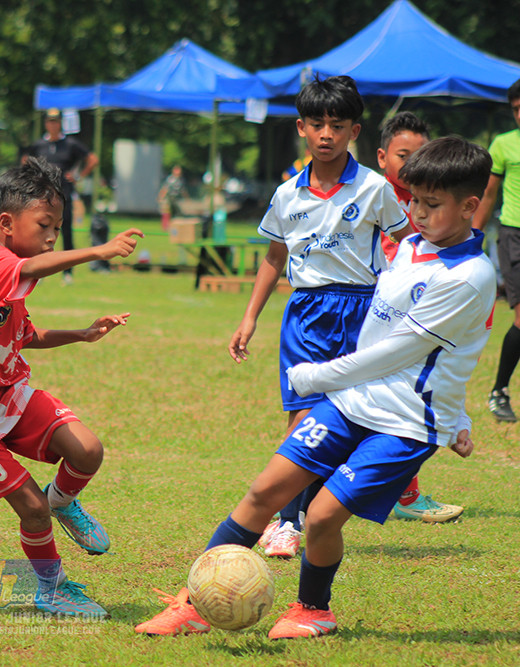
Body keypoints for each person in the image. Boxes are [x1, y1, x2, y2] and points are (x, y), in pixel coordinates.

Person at [137, 136, 495, 639]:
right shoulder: (413, 247)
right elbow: (385, 329)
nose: (415, 212)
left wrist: (318, 377)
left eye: (431, 204)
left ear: (470, 206)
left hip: (405, 423)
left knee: (322, 516)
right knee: (265, 491)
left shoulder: (470, 276)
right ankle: (192, 603)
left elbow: (403, 351)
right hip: (352, 402)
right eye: (412, 199)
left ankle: (313, 609)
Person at [0, 157, 142, 618]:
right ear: (6, 223)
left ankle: (65, 502)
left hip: (6, 396)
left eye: (58, 227)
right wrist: (97, 251)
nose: (52, 236)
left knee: (87, 451)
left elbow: (26, 337)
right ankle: (50, 588)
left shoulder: (12, 274)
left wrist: (81, 334)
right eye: (45, 224)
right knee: (31, 508)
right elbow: (36, 267)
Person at [226, 75, 410, 560]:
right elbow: (273, 258)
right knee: (303, 421)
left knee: (356, 417)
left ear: (355, 130)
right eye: (316, 124)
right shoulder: (287, 195)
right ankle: (287, 522)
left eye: (337, 124)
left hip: (364, 312)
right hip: (307, 313)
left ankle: (377, 486)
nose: (326, 134)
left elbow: (404, 245)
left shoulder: (375, 188)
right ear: (301, 128)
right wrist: (250, 319)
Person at [376, 111, 464, 522]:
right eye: (403, 155)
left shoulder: (429, 204)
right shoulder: (372, 196)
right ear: (382, 157)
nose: (410, 164)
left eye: (420, 154)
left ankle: (402, 493)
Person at [475, 78, 520, 423]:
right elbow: (488, 195)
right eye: (516, 109)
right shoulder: (504, 145)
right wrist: (473, 237)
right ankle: (498, 391)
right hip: (513, 235)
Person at [21, 108, 99, 284]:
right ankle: (38, 269)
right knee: (38, 231)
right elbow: (25, 161)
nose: (52, 124)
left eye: (56, 121)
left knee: (66, 231)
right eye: (50, 121)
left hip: (63, 195)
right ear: (46, 123)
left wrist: (78, 175)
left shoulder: (70, 144)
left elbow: (93, 159)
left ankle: (68, 272)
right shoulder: (39, 144)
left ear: (60, 123)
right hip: (42, 196)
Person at [158, 165, 187, 231]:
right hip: (169, 198)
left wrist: (186, 198)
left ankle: (175, 227)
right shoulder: (170, 179)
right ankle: (165, 227)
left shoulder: (181, 180)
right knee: (166, 212)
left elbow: (183, 190)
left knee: (177, 213)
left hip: (176, 199)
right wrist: (161, 196)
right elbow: (165, 188)